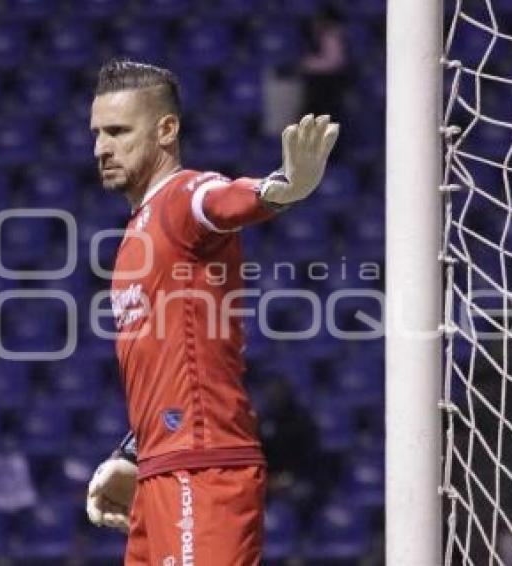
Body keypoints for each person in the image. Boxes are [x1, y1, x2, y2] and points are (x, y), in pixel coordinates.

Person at [84, 59, 339, 565]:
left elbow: (222, 200)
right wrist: (134, 452)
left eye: (117, 131)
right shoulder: (139, 231)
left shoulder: (183, 196)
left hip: (202, 471)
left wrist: (280, 189)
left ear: (166, 130)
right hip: (162, 469)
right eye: (96, 133)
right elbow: (171, 365)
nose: (100, 148)